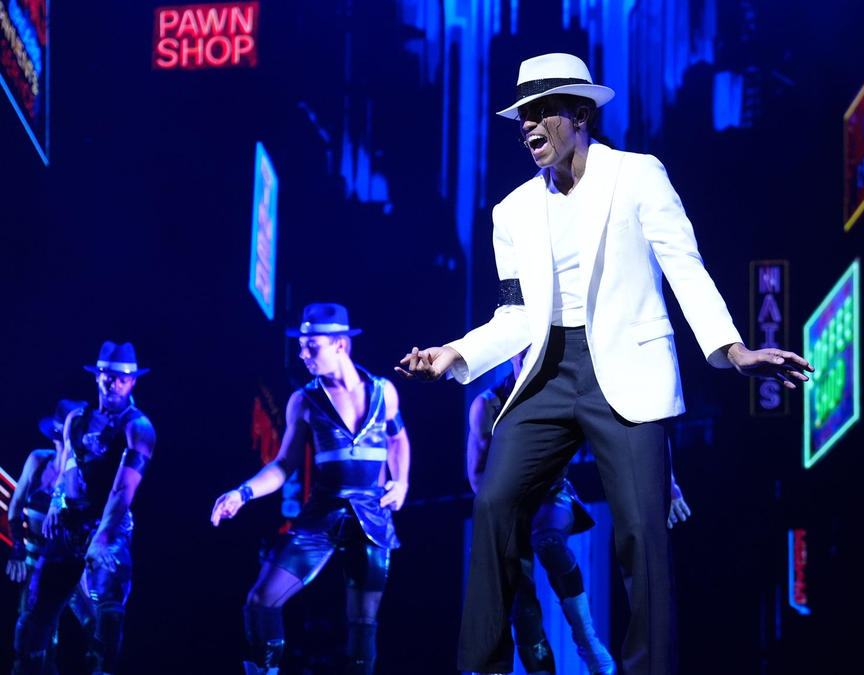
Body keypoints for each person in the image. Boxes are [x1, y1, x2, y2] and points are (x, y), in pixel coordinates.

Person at [397, 53, 809, 675]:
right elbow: (515, 316)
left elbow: (685, 267)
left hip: (626, 369)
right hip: (546, 372)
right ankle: (482, 665)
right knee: (495, 503)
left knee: (642, 530)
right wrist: (454, 352)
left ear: (580, 114)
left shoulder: (638, 175)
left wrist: (733, 350)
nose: (527, 126)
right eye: (522, 117)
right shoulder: (511, 212)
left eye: (541, 112)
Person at [211, 303, 411, 675]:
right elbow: (283, 465)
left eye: (311, 346)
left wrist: (402, 482)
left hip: (372, 518)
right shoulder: (303, 401)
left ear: (340, 345)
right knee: (261, 600)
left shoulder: (384, 392)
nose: (302, 354)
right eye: (301, 346)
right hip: (321, 518)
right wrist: (242, 493)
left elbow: (398, 440)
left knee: (363, 625)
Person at [466, 351, 693, 675]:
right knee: (522, 606)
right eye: (521, 353)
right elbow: (477, 474)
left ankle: (586, 639)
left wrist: (667, 481)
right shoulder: (488, 404)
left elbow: (640, 419)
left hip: (553, 495)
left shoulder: (567, 386)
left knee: (548, 542)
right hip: (511, 506)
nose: (527, 358)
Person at [12, 342, 156, 675]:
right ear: (97, 376)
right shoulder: (77, 419)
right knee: (33, 618)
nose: (113, 384)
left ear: (133, 381)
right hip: (69, 526)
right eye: (108, 375)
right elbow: (68, 465)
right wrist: (57, 502)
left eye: (122, 378)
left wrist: (102, 537)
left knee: (107, 614)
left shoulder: (138, 428)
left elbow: (123, 489)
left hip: (109, 528)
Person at [6, 400, 95, 675]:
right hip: (35, 560)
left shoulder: (80, 476)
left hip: (66, 563)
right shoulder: (38, 460)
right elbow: (15, 506)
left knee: (94, 624)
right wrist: (18, 548)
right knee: (36, 636)